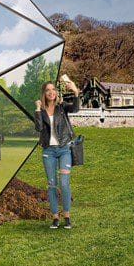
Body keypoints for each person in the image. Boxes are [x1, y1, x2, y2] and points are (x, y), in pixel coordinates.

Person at [34, 76, 80, 229]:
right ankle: (55, 218)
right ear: (44, 93)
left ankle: (66, 216)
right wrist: (37, 110)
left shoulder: (62, 107)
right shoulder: (41, 110)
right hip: (48, 151)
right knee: (52, 184)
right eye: (48, 90)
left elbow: (75, 108)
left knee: (64, 183)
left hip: (64, 149)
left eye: (53, 89)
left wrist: (75, 92)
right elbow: (39, 128)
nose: (51, 92)